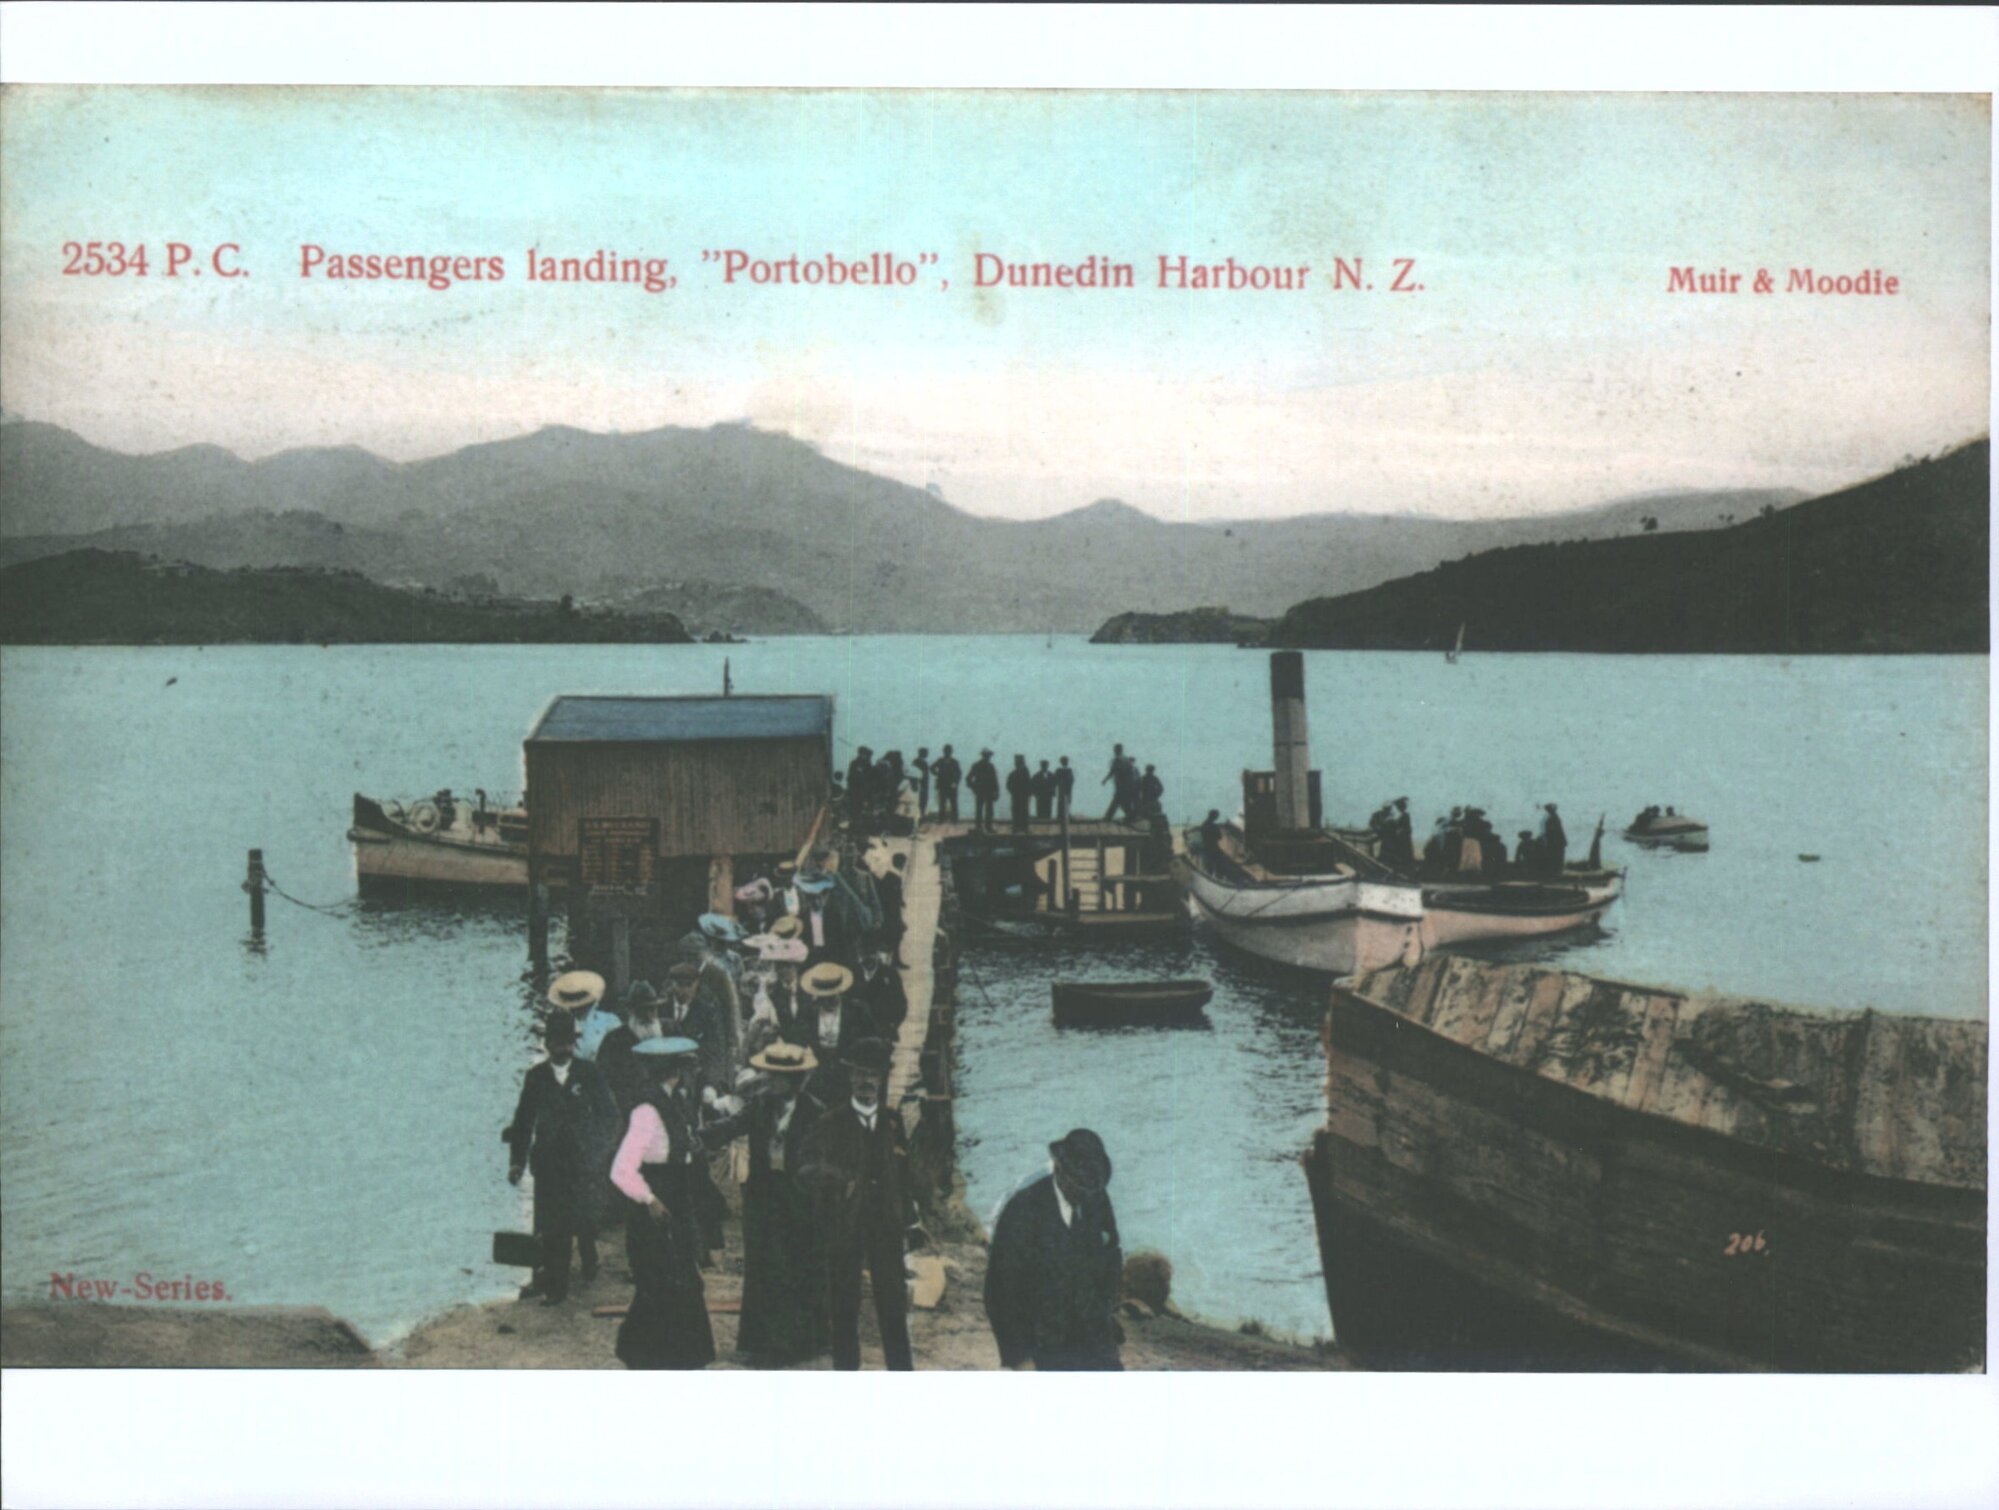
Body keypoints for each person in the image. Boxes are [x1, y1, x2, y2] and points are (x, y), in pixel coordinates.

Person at [702, 1040, 831, 1365]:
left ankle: (800, 1343)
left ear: (794, 1079)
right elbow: (733, 1125)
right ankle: (765, 1344)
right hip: (765, 1194)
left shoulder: (814, 1110)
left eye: (777, 1076)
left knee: (796, 1266)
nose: (770, 1081)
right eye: (769, 1074)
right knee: (765, 1266)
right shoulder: (760, 1105)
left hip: (799, 1196)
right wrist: (701, 1135)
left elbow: (825, 1157)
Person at [798, 1037, 918, 1370]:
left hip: (887, 1229)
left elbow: (904, 1177)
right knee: (844, 1308)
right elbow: (806, 1166)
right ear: (850, 1078)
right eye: (860, 1074)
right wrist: (838, 1181)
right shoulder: (831, 1123)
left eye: (873, 1075)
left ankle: (902, 1376)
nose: (866, 1082)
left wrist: (909, 1221)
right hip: (845, 1227)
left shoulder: (893, 1123)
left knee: (893, 1307)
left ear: (882, 1079)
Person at [608, 1036, 717, 1369]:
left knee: (681, 1277)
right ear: (674, 1071)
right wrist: (649, 1199)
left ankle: (675, 1357)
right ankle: (649, 1355)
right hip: (655, 1205)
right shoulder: (646, 1112)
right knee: (659, 1280)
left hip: (677, 1200)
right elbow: (621, 1170)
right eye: (685, 1067)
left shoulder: (676, 1102)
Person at [984, 1128, 1124, 1371]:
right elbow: (1000, 1292)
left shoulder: (1095, 1196)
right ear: (1059, 1169)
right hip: (1042, 1345)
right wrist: (1018, 1357)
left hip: (1094, 1339)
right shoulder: (1023, 1211)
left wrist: (1106, 1309)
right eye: (1079, 1184)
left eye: (1091, 1185)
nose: (1085, 1194)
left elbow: (1111, 1252)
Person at [506, 1012, 617, 1304]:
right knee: (546, 1223)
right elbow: (523, 1121)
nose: (563, 1049)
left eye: (568, 1043)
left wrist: (598, 1151)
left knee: (579, 1220)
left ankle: (579, 1267)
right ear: (546, 1044)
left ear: (574, 1044)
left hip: (581, 1163)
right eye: (557, 1043)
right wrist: (516, 1161)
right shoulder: (537, 1077)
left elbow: (610, 1117)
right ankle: (547, 1281)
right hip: (547, 1163)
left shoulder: (588, 1073)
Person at [598, 981, 663, 1116]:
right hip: (628, 1112)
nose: (649, 1016)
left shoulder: (669, 1034)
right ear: (631, 1011)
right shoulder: (613, 1042)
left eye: (653, 1009)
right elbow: (604, 1084)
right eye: (643, 1010)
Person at [548, 969, 619, 1063]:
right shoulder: (562, 1025)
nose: (578, 1010)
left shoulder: (609, 1021)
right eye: (573, 1006)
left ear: (594, 1003)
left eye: (584, 1005)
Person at [967, 749, 1000, 833]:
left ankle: (988, 827)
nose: (988, 757)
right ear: (983, 756)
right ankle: (979, 827)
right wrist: (974, 788)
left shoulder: (991, 766)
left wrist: (996, 791)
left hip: (989, 792)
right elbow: (968, 778)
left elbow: (994, 780)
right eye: (987, 755)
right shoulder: (977, 765)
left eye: (989, 756)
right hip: (980, 791)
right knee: (979, 810)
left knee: (989, 810)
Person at [1101, 743, 1135, 821]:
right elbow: (1131, 771)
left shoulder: (1117, 759)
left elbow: (1113, 771)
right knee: (1122, 800)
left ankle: (1109, 817)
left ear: (1116, 750)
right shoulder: (1126, 759)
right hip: (1127, 783)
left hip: (1121, 783)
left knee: (1118, 799)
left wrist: (1105, 780)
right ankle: (1129, 815)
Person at [933, 744, 962, 822]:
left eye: (949, 751)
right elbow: (932, 768)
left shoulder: (955, 762)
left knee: (953, 803)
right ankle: (941, 819)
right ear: (944, 751)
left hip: (952, 785)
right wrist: (937, 773)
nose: (947, 752)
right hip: (942, 785)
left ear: (951, 752)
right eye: (946, 751)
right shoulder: (940, 760)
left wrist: (955, 783)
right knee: (942, 803)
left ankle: (954, 819)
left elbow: (959, 773)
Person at [1538, 802, 1568, 875]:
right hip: (1555, 840)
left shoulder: (1552, 818)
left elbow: (1557, 830)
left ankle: (1556, 870)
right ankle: (1556, 870)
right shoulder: (1552, 818)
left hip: (1555, 840)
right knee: (1556, 855)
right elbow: (1557, 830)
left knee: (1556, 855)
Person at [845, 746, 875, 818]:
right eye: (863, 754)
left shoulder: (868, 764)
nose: (865, 756)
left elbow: (871, 778)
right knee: (856, 810)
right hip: (856, 790)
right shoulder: (854, 763)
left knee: (864, 810)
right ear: (860, 753)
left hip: (865, 791)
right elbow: (850, 777)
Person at [1006, 755, 1033, 833]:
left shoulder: (1024, 772)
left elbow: (1029, 784)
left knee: (1022, 811)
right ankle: (1018, 827)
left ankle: (1023, 827)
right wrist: (1013, 791)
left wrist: (1028, 793)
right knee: (1017, 810)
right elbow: (1008, 785)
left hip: (1022, 795)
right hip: (1017, 795)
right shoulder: (1014, 773)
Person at [912, 747, 932, 816]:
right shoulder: (919, 762)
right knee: (921, 800)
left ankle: (921, 814)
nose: (927, 754)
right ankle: (921, 815)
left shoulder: (917, 761)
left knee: (923, 800)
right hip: (921, 784)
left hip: (923, 783)